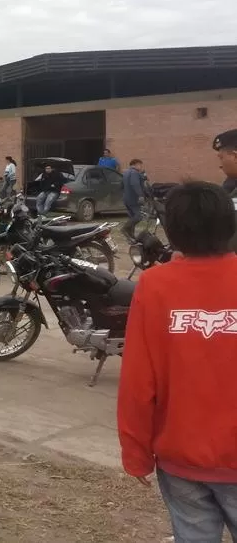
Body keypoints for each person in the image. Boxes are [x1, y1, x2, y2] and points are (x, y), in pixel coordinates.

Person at [117, 181, 237, 542]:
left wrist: (135, 452)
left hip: (181, 458)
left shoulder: (154, 285)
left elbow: (139, 378)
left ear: (171, 231)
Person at [121, 159, 147, 242]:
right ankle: (124, 229)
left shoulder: (125, 173)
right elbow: (134, 183)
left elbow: (121, 185)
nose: (141, 167)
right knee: (138, 217)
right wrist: (140, 195)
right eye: (140, 165)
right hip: (134, 198)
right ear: (136, 164)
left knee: (132, 217)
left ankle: (131, 236)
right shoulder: (134, 173)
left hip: (126, 198)